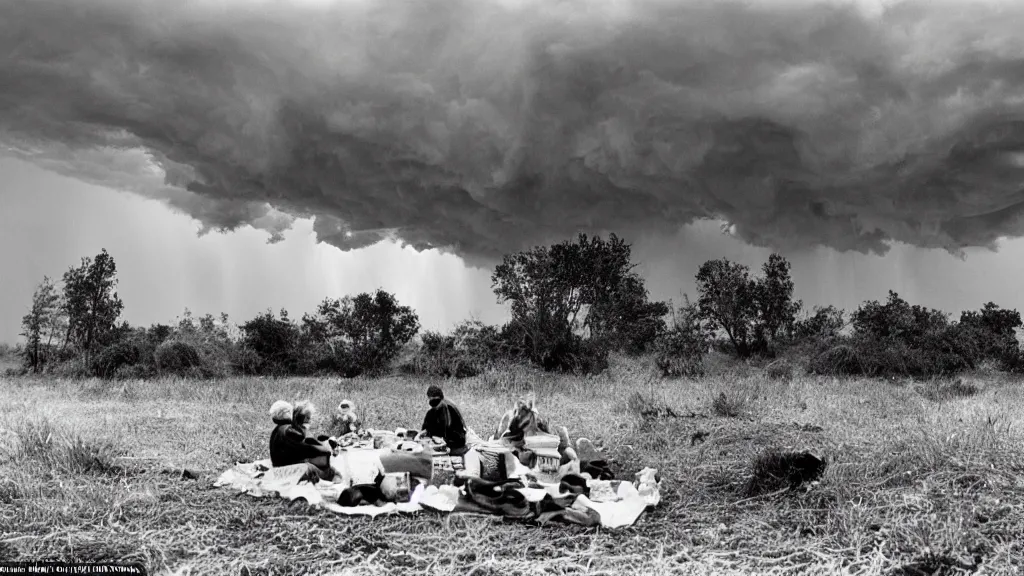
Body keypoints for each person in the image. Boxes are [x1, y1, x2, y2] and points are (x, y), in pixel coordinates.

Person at [268, 400, 334, 480]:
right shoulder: (288, 430)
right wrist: (325, 448)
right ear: (288, 413)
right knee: (328, 471)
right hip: (287, 471)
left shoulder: (278, 429)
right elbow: (309, 449)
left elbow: (299, 447)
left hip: (279, 467)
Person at [416, 384, 468, 456]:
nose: (435, 406)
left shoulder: (451, 410)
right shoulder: (431, 413)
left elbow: (460, 438)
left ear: (441, 399)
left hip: (452, 445)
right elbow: (426, 429)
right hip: (436, 445)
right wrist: (423, 433)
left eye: (436, 401)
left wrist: (444, 440)